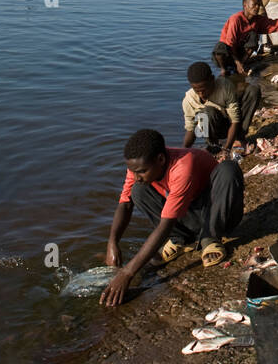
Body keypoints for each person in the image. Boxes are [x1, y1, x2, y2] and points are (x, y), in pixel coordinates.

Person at [101, 128, 245, 304]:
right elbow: (125, 204)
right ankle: (180, 239)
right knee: (137, 190)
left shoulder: (183, 165)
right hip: (191, 213)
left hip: (219, 211)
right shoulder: (138, 168)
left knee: (228, 168)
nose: (137, 176)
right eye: (134, 172)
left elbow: (165, 224)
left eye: (141, 171)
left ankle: (210, 237)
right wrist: (112, 242)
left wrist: (127, 273)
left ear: (160, 159)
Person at [181, 61, 261, 157]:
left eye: (204, 89)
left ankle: (239, 139)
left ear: (212, 80)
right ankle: (213, 146)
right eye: (197, 91)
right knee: (206, 112)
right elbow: (191, 129)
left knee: (253, 90)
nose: (201, 94)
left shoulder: (224, 86)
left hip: (232, 123)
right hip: (214, 129)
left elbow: (235, 120)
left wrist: (226, 149)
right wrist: (183, 152)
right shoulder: (189, 100)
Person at [213, 0, 278, 76]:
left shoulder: (257, 19)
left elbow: (272, 24)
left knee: (254, 36)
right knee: (220, 47)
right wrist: (237, 62)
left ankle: (243, 63)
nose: (257, 7)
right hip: (228, 53)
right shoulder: (235, 19)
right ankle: (223, 69)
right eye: (254, 5)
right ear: (245, 5)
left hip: (240, 53)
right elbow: (230, 44)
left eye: (258, 5)